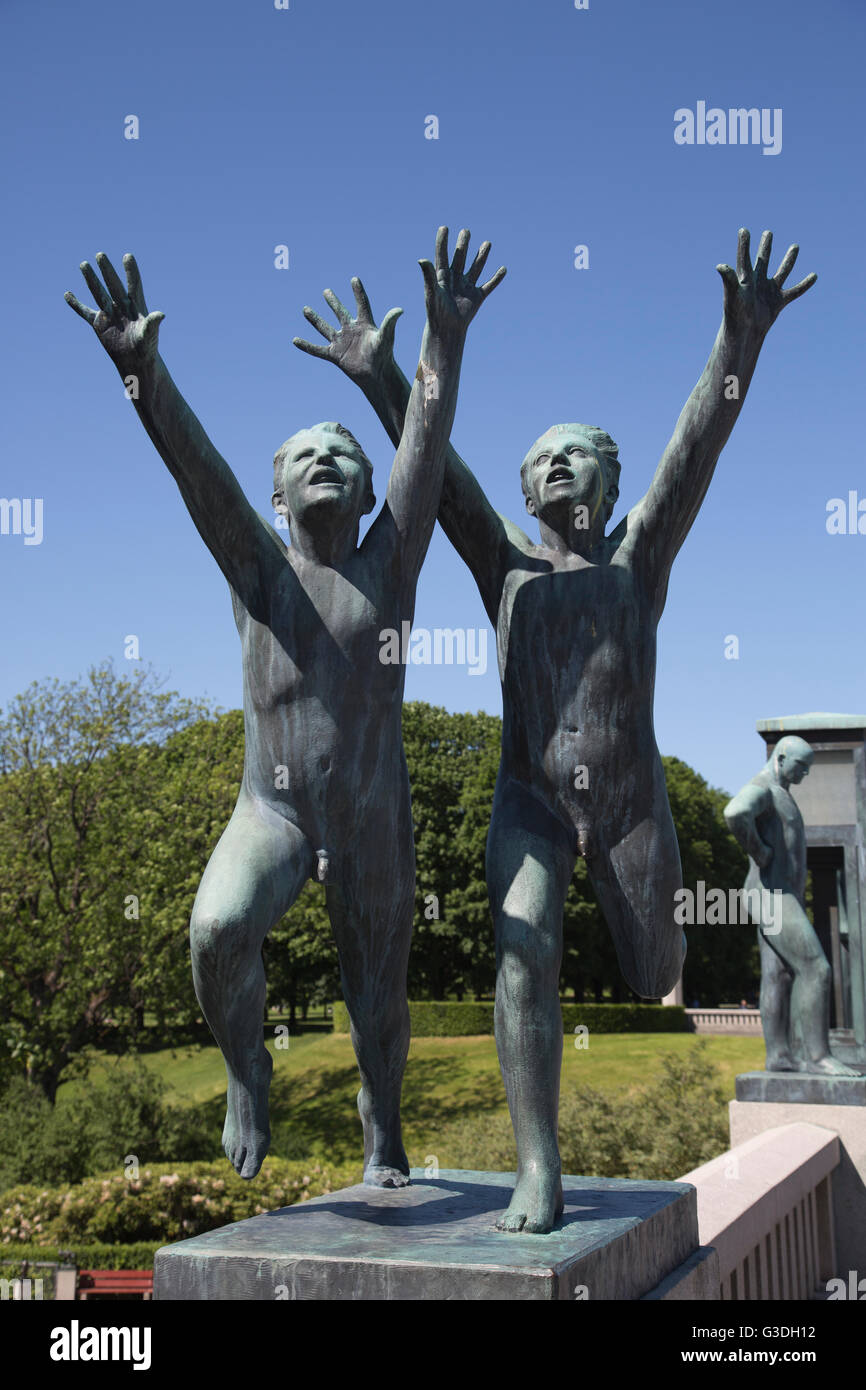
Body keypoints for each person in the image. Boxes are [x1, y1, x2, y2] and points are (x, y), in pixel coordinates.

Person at [296, 227, 816, 1231]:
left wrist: (737, 345)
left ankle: (646, 954)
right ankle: (540, 1165)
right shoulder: (502, 567)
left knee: (655, 968)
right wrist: (386, 373)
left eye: (579, 456)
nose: (559, 467)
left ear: (609, 487)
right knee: (519, 942)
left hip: (627, 808)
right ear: (526, 489)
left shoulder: (637, 563)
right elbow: (433, 476)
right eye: (541, 460)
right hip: (528, 800)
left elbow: (694, 444)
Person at [65, 229, 504, 1182]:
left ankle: (382, 1128)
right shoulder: (259, 571)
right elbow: (196, 470)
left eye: (345, 453)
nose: (330, 461)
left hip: (373, 818)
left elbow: (423, 453)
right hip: (271, 812)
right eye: (306, 455)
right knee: (216, 930)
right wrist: (143, 373)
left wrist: (444, 342)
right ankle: (246, 1071)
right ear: (275, 494)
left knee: (377, 1001)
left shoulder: (390, 564)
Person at [724, 736, 861, 1076]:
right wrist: (759, 851)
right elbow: (735, 811)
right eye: (801, 767)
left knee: (777, 975)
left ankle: (779, 1057)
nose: (805, 774)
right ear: (781, 758)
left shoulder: (779, 791)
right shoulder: (765, 788)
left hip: (772, 895)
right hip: (772, 896)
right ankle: (817, 1057)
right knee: (817, 968)